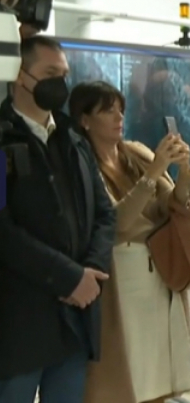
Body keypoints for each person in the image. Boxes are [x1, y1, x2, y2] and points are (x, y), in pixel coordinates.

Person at [0, 37, 117, 403]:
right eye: (50, 73)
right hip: (20, 319)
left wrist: (92, 271)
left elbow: (104, 212)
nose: (60, 83)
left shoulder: (73, 138)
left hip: (76, 317)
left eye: (64, 75)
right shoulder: (3, 138)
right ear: (20, 75)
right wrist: (67, 277)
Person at [68, 81, 190, 403]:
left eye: (120, 110)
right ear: (85, 119)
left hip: (160, 267)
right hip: (121, 273)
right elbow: (117, 224)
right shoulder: (83, 163)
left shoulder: (136, 151)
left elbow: (172, 206)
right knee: (127, 371)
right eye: (107, 111)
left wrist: (183, 172)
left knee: (159, 368)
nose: (118, 117)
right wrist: (153, 173)